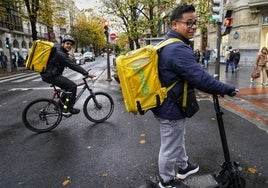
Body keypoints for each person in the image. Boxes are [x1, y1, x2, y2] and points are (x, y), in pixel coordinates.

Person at [151, 3, 236, 188]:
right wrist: (226, 88)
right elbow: (200, 79)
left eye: (194, 23)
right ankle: (166, 181)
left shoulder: (168, 43)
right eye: (188, 23)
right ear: (174, 24)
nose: (193, 27)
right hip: (170, 107)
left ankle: (183, 167)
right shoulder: (177, 49)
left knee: (176, 138)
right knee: (169, 146)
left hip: (166, 103)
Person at [41, 35, 95, 115]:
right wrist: (86, 73)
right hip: (50, 75)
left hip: (50, 74)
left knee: (67, 88)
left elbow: (70, 62)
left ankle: (58, 106)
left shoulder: (60, 51)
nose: (69, 45)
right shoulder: (60, 53)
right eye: (67, 43)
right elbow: (72, 65)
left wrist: (72, 58)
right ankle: (69, 108)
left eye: (70, 44)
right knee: (72, 86)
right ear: (63, 44)